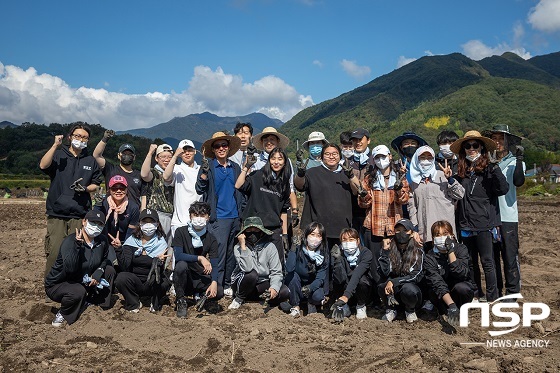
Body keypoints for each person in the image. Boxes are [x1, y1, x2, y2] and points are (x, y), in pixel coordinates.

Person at [450, 130, 509, 302]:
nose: (471, 149)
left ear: (482, 148)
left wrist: (495, 167)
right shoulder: (461, 171)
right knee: (470, 261)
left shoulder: (490, 169)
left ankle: (492, 296)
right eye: (467, 146)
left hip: (484, 224)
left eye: (475, 145)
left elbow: (503, 189)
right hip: (465, 224)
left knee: (487, 261)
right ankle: (476, 293)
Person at [39, 124, 102, 275]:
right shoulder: (59, 155)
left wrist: (86, 188)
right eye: (78, 136)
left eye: (84, 137)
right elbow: (43, 165)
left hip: (79, 214)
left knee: (76, 251)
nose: (81, 139)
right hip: (57, 213)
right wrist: (55, 145)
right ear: (70, 137)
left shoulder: (90, 160)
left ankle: (71, 283)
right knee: (54, 251)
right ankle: (51, 286)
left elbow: (96, 183)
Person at [45, 210, 115, 327]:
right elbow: (70, 268)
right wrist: (77, 247)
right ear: (84, 221)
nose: (96, 227)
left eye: (100, 224)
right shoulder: (71, 241)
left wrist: (98, 272)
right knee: (78, 291)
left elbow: (104, 259)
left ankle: (94, 303)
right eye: (93, 222)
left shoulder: (102, 241)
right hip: (60, 283)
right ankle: (63, 313)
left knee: (109, 270)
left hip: (83, 278)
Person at [195, 132, 242, 296]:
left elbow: (241, 190)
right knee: (219, 253)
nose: (221, 148)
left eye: (224, 145)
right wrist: (204, 174)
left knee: (231, 253)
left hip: (235, 216)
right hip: (218, 218)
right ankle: (217, 284)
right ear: (213, 150)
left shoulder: (235, 167)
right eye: (217, 146)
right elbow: (199, 189)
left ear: (229, 147)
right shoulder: (209, 167)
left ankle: (228, 283)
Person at [358, 145, 409, 289]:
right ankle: (381, 294)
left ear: (390, 156)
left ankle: (395, 291)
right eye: (377, 158)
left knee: (396, 260)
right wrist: (364, 196)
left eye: (383, 156)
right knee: (375, 263)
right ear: (373, 160)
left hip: (395, 225)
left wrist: (398, 190)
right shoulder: (369, 179)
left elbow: (404, 200)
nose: (381, 160)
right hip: (374, 225)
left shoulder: (399, 176)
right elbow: (363, 204)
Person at [484, 124, 525, 297]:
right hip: (490, 216)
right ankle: (497, 292)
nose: (498, 142)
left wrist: (518, 159)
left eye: (501, 139)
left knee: (509, 256)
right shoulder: (486, 162)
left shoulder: (516, 162)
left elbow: (518, 182)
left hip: (508, 216)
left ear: (508, 142)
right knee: (492, 258)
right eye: (494, 139)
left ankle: (513, 291)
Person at [294, 144, 360, 248]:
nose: (331, 156)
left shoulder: (346, 174)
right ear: (322, 157)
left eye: (335, 154)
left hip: (342, 229)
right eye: (327, 154)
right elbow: (299, 186)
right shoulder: (312, 172)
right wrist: (301, 174)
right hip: (317, 230)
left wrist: (351, 175)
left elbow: (357, 190)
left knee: (341, 262)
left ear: (340, 156)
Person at [235, 147, 292, 265]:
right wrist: (247, 167)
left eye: (280, 159)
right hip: (254, 229)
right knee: (253, 264)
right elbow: (238, 185)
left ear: (285, 162)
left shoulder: (284, 183)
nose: (276, 162)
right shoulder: (258, 176)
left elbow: (284, 211)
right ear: (269, 160)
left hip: (273, 229)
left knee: (277, 264)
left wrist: (285, 234)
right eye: (273, 158)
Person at [251, 127, 299, 253]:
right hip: (259, 212)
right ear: (262, 143)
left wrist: (294, 210)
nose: (269, 142)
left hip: (280, 210)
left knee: (282, 247)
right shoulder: (255, 161)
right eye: (266, 139)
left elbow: (291, 188)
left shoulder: (287, 161)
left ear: (277, 142)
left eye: (272, 139)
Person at [114, 208, 171, 313]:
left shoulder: (161, 244)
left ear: (157, 224)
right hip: (136, 282)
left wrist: (159, 262)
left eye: (152, 222)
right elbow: (125, 266)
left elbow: (161, 271)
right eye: (145, 222)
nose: (148, 225)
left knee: (163, 281)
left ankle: (155, 302)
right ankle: (134, 302)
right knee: (121, 278)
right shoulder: (131, 241)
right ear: (140, 224)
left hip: (152, 283)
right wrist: (118, 250)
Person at [408, 145, 465, 248]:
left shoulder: (442, 176)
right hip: (425, 232)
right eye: (422, 157)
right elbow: (412, 207)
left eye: (429, 157)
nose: (426, 161)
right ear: (416, 159)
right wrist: (415, 229)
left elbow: (460, 194)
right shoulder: (414, 182)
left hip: (445, 230)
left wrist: (450, 179)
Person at [173, 202, 223, 318]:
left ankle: (200, 295)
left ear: (208, 218)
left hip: (200, 276)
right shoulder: (180, 232)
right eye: (196, 215)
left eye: (202, 215)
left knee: (219, 291)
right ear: (190, 216)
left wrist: (214, 282)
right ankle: (180, 300)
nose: (199, 219)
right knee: (181, 265)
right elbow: (179, 255)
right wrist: (200, 258)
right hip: (184, 276)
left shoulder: (211, 239)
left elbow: (215, 264)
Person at [228, 217, 289, 310]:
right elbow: (247, 268)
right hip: (243, 282)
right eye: (249, 230)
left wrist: (274, 288)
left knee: (284, 292)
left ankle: (261, 298)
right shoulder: (238, 247)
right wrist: (243, 247)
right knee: (252, 275)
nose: (252, 232)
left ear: (261, 231)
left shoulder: (270, 247)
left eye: (256, 229)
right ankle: (239, 298)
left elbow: (276, 272)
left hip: (262, 283)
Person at [424, 220, 474, 326]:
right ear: (433, 239)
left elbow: (462, 274)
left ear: (451, 235)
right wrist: (451, 305)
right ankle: (445, 311)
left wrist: (451, 252)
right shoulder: (430, 256)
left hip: (458, 289)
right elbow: (436, 282)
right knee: (432, 290)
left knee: (463, 288)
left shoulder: (461, 249)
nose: (442, 238)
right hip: (442, 294)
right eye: (438, 235)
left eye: (445, 234)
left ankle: (462, 311)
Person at [378, 219, 425, 323]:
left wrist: (394, 282)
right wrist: (385, 252)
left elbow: (416, 276)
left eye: (405, 230)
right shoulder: (389, 248)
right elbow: (383, 272)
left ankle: (410, 310)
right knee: (382, 284)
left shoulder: (418, 251)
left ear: (412, 233)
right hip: (393, 291)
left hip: (411, 291)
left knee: (408, 289)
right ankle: (391, 309)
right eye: (398, 230)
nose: (401, 233)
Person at [283, 222, 329, 317]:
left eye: (318, 235)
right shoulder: (298, 249)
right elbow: (289, 268)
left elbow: (320, 278)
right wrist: (293, 249)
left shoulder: (323, 255)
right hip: (297, 284)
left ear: (322, 239)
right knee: (292, 277)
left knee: (318, 295)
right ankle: (295, 306)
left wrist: (310, 288)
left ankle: (311, 303)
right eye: (312, 234)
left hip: (312, 286)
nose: (315, 238)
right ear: (306, 235)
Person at [94, 175, 140, 266]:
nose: (118, 191)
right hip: (104, 240)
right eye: (114, 188)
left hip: (124, 241)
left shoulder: (133, 207)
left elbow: (131, 232)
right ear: (109, 190)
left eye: (122, 188)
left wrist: (121, 246)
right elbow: (95, 219)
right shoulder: (103, 204)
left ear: (127, 190)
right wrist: (98, 205)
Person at [329, 228, 373, 321]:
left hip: (359, 290)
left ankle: (361, 306)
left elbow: (357, 274)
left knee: (362, 281)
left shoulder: (366, 253)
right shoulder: (338, 253)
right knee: (338, 278)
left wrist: (346, 296)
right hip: (343, 288)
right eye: (344, 240)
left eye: (351, 240)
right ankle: (344, 306)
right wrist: (337, 261)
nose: (348, 243)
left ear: (358, 241)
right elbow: (337, 278)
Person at [93, 131, 144, 206]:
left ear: (134, 157)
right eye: (124, 154)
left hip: (133, 213)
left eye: (130, 154)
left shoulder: (139, 175)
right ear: (118, 155)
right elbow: (96, 155)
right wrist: (105, 139)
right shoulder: (110, 169)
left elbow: (143, 196)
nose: (127, 156)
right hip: (112, 210)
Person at [163, 139, 202, 236]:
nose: (187, 153)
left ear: (195, 151)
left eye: (190, 150)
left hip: (199, 219)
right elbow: (166, 177)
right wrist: (175, 156)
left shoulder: (201, 169)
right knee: (179, 250)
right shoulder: (176, 168)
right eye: (184, 151)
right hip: (180, 221)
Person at [140, 144, 174, 243]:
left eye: (169, 157)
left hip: (172, 216)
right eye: (163, 157)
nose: (166, 159)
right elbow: (144, 174)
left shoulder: (176, 173)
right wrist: (150, 153)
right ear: (156, 158)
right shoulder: (154, 173)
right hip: (155, 215)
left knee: (169, 249)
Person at [348, 128, 375, 232]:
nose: (357, 143)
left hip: (370, 211)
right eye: (354, 140)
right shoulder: (348, 161)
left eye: (360, 140)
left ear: (368, 141)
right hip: (352, 212)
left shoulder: (375, 160)